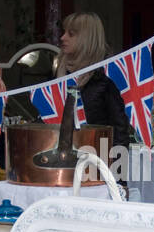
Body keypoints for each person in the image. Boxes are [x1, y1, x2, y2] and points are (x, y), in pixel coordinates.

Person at [56, 12, 132, 156]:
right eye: (64, 32)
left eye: (71, 34)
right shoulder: (61, 71)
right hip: (63, 161)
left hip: (97, 163)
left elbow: (120, 133)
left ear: (86, 39)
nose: (62, 38)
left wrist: (114, 176)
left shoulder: (107, 77)